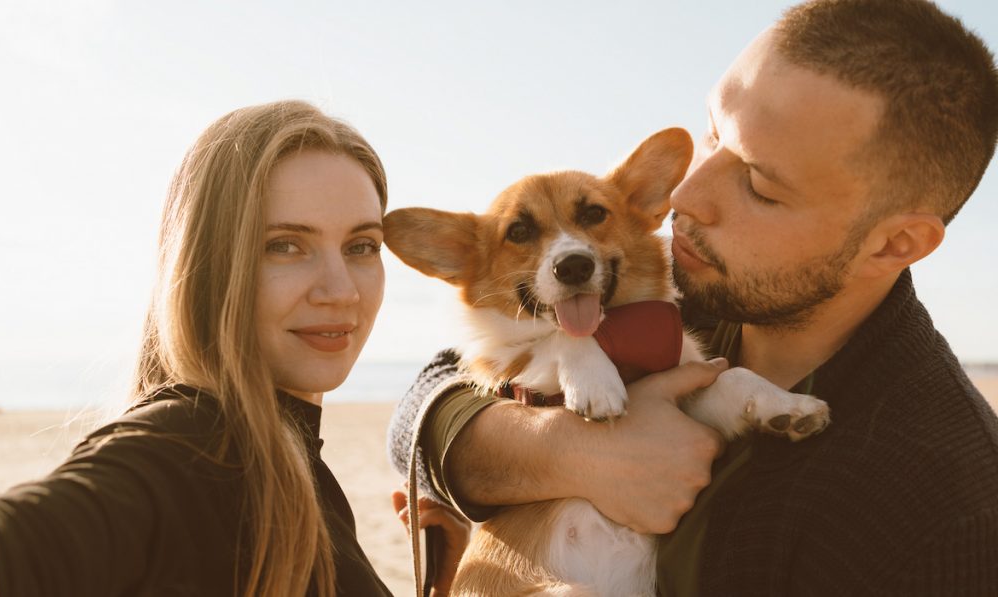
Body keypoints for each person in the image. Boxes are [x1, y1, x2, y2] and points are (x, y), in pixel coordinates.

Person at [388, 0, 998, 595]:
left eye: (759, 184)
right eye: (712, 135)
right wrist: (566, 453)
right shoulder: (691, 280)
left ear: (896, 243)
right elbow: (425, 403)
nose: (685, 195)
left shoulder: (949, 513)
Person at [0, 100, 467, 597]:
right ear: (211, 262)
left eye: (360, 246)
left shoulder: (288, 458)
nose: (341, 291)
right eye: (286, 245)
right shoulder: (185, 448)